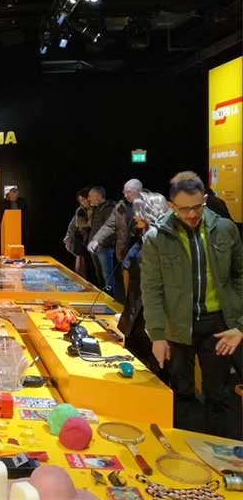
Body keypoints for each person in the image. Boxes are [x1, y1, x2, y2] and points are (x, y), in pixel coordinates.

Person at [141, 172, 243, 437]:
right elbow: (151, 289)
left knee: (219, 395)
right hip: (177, 326)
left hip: (218, 325)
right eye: (184, 209)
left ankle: (220, 452)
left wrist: (240, 325)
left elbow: (240, 276)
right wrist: (157, 335)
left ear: (205, 200)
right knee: (181, 393)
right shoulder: (156, 238)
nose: (192, 214)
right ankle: (186, 450)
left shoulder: (225, 229)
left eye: (198, 206)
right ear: (171, 206)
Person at [118, 191, 169, 378]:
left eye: (138, 212)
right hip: (136, 308)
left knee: (153, 364)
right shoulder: (141, 238)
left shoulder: (161, 240)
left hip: (150, 313)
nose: (134, 216)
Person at [89, 179, 143, 299]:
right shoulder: (120, 207)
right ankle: (127, 305)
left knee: (141, 285)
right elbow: (109, 225)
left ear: (138, 191)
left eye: (128, 192)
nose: (125, 195)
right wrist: (96, 240)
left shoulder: (149, 204)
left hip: (143, 252)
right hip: (124, 251)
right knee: (126, 283)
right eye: (124, 192)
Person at [86, 186, 116, 297]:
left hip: (104, 248)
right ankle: (103, 296)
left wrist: (102, 244)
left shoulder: (109, 209)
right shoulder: (97, 208)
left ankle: (111, 298)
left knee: (107, 275)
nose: (89, 199)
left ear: (98, 196)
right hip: (95, 247)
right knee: (99, 274)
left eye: (91, 196)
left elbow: (111, 229)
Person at [64, 187, 92, 280]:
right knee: (80, 257)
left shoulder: (95, 208)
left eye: (84, 199)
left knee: (84, 259)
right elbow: (78, 225)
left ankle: (84, 279)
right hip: (77, 236)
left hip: (88, 237)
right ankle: (80, 279)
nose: (82, 202)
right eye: (80, 200)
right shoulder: (80, 210)